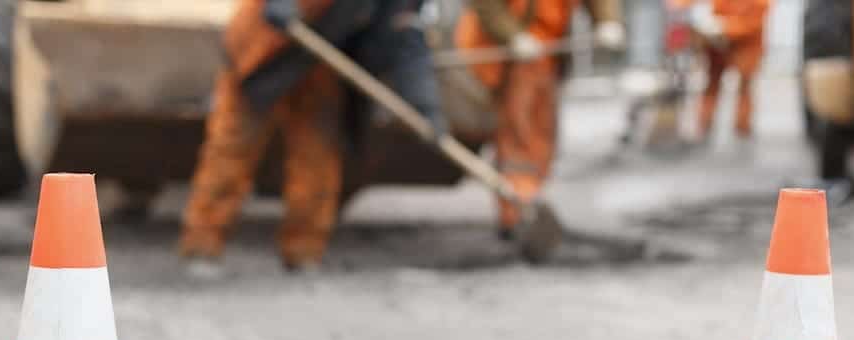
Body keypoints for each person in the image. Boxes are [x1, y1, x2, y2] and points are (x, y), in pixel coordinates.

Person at [178, 0, 446, 272]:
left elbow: (405, 41)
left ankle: (304, 251)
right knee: (234, 149)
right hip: (264, 47)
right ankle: (203, 245)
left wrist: (426, 109)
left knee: (317, 157)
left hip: (318, 58)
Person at [455, 1, 626, 240]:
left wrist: (608, 21)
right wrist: (512, 36)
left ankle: (531, 201)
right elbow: (487, 6)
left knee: (542, 134)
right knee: (519, 134)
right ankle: (517, 211)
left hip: (545, 53)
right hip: (506, 55)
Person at [688, 0, 770, 141]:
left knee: (744, 86)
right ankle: (705, 123)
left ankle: (742, 126)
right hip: (718, 44)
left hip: (747, 45)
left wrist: (725, 27)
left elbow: (753, 21)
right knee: (712, 84)